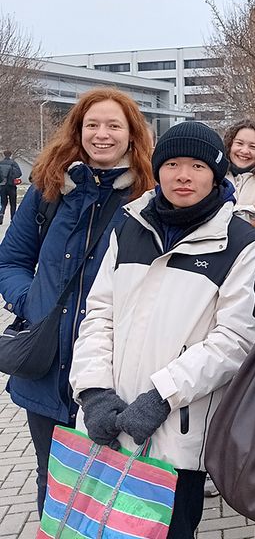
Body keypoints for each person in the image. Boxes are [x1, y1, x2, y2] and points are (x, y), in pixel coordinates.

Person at [69, 121, 255, 539]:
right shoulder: (129, 227)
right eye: (173, 164)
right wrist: (92, 390)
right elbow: (99, 314)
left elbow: (236, 340)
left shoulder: (241, 243)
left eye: (198, 165)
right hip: (107, 422)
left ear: (217, 174)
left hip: (176, 437)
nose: (183, 175)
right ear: (157, 169)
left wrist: (163, 394)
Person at [0, 87, 155, 515]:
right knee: (53, 481)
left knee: (114, 490)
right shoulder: (49, 188)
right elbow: (10, 260)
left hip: (114, 374)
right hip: (46, 369)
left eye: (113, 126)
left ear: (132, 134)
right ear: (77, 130)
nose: (101, 134)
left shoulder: (146, 198)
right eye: (92, 125)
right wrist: (31, 302)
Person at [0, 150, 22, 224]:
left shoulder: (0, 163)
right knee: (13, 203)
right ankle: (13, 218)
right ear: (10, 155)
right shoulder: (13, 163)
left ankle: (1, 214)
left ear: (4, 155)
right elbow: (19, 173)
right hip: (11, 186)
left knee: (3, 202)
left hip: (2, 186)